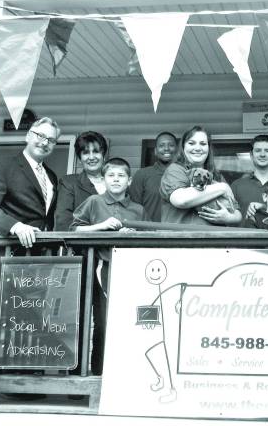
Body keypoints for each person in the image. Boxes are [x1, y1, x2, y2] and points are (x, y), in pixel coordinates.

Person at [71, 157, 148, 375]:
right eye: (111, 175)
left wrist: (132, 237)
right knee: (103, 323)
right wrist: (102, 226)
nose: (116, 179)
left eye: (121, 175)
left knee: (127, 323)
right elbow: (74, 230)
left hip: (129, 272)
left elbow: (148, 238)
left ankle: (123, 375)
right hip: (101, 269)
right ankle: (98, 373)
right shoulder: (95, 201)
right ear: (104, 179)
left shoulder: (138, 209)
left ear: (129, 180)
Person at [0, 117, 60, 248]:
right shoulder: (3, 165)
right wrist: (15, 226)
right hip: (9, 252)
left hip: (41, 254)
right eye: (41, 136)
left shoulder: (51, 176)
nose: (45, 143)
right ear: (28, 136)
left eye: (51, 140)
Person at [159, 126, 241, 226]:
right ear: (183, 147)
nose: (197, 148)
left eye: (203, 144)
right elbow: (180, 200)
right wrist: (222, 187)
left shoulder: (216, 175)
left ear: (208, 148)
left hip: (215, 239)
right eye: (191, 143)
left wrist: (229, 218)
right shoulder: (176, 170)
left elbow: (237, 211)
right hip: (181, 238)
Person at [54, 131, 109, 231]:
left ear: (103, 156)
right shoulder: (69, 183)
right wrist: (98, 228)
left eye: (96, 151)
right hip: (81, 245)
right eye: (86, 153)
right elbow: (63, 224)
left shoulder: (115, 183)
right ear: (80, 159)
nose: (91, 157)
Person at [129, 131, 178, 222]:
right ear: (155, 151)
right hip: (149, 233)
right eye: (161, 145)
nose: (166, 148)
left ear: (177, 150)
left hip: (179, 233)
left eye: (171, 145)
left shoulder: (185, 175)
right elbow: (133, 209)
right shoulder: (142, 175)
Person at [231, 134, 268, 225]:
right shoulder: (237, 185)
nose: (262, 154)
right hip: (243, 239)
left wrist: (265, 207)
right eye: (258, 151)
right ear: (251, 155)